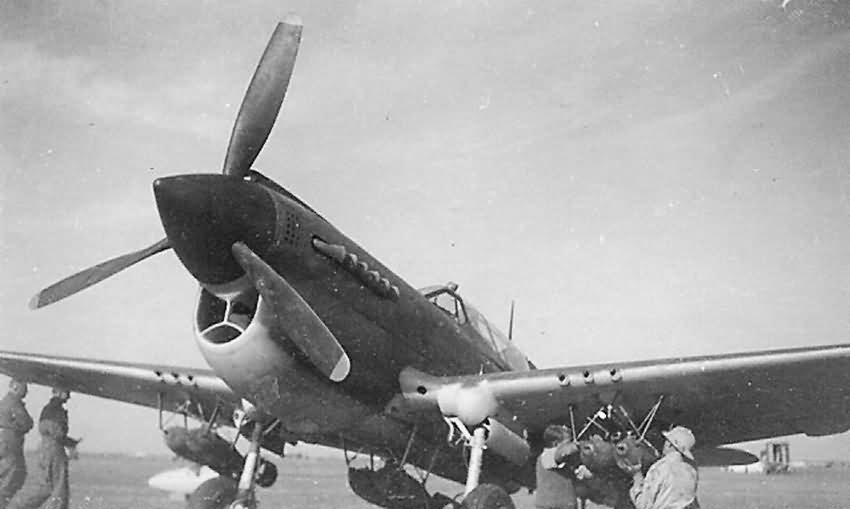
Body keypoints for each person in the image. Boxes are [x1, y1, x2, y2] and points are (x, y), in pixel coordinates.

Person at [9, 388, 79, 509]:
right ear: (59, 392)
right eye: (66, 393)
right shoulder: (55, 410)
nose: (68, 397)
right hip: (54, 450)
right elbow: (56, 432)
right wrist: (70, 442)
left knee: (46, 487)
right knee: (60, 488)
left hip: (46, 449)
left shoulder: (49, 409)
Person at [622, 426, 699, 509]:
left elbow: (644, 505)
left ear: (669, 444)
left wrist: (637, 477)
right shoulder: (692, 471)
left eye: (666, 440)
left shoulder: (659, 468)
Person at [0, 380, 33, 509]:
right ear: (16, 387)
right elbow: (27, 422)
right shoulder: (14, 403)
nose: (26, 391)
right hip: (11, 445)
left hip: (5, 444)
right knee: (15, 476)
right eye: (24, 388)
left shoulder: (5, 401)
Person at [534, 425, 580, 509]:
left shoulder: (566, 461)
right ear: (555, 443)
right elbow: (564, 452)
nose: (570, 443)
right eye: (567, 442)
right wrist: (578, 445)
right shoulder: (547, 455)